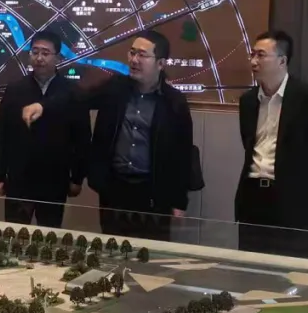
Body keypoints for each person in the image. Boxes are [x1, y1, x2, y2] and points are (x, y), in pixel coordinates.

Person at [21, 30, 192, 240]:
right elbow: (77, 98)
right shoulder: (116, 88)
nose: (134, 60)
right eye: (132, 53)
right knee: (112, 247)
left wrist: (179, 201)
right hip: (114, 189)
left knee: (150, 251)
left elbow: (183, 154)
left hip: (154, 194)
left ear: (161, 63)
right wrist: (43, 106)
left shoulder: (174, 102)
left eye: (142, 55)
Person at [235, 30, 308, 256]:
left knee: (289, 269)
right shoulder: (248, 101)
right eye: (252, 55)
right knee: (249, 267)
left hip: (293, 202)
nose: (254, 62)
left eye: (261, 55)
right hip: (253, 198)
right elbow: (248, 144)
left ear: (282, 60)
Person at [0, 30, 90, 227]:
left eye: (45, 53)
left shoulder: (71, 92)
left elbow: (82, 139)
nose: (39, 58)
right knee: (15, 234)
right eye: (35, 52)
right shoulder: (16, 89)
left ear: (58, 58)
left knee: (49, 234)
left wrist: (77, 178)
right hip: (19, 179)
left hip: (55, 180)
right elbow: (1, 134)